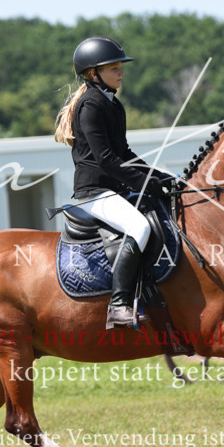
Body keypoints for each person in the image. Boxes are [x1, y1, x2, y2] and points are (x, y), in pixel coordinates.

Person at [54, 36, 171, 329]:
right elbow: (106, 159)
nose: (121, 73)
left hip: (112, 189)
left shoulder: (113, 104)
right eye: (114, 68)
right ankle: (118, 306)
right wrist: (147, 183)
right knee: (139, 226)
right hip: (93, 192)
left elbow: (125, 154)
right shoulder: (90, 105)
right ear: (94, 73)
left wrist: (163, 178)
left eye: (120, 67)